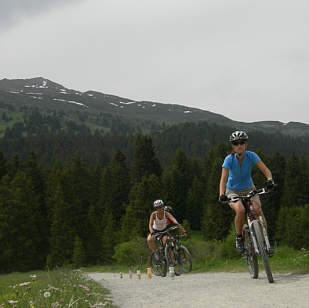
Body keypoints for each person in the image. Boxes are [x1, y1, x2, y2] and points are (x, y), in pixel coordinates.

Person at [218, 130, 275, 254]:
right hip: (232, 190)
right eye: (236, 143)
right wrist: (222, 194)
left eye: (242, 142)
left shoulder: (251, 156)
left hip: (249, 188)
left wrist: (269, 180)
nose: (239, 145)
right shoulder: (229, 159)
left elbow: (266, 170)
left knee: (258, 210)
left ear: (246, 144)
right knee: (240, 210)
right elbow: (223, 179)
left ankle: (265, 242)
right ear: (232, 146)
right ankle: (239, 237)